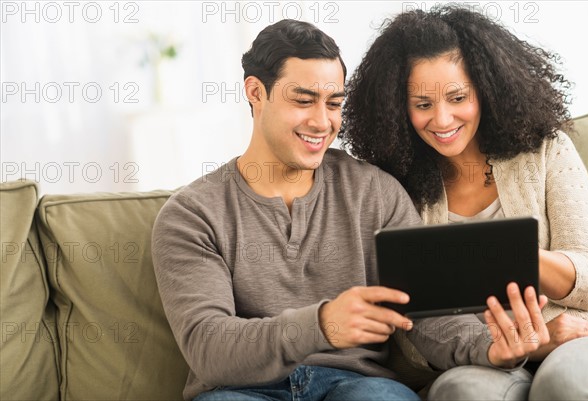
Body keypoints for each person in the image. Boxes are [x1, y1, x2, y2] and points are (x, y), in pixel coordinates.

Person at [152, 18, 550, 401]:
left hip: (358, 385)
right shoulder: (192, 214)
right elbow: (209, 348)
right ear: (256, 93)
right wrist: (322, 325)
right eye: (304, 100)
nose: (322, 121)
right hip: (240, 391)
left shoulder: (374, 193)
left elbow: (428, 316)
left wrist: (490, 346)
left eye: (334, 103)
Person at [341, 5, 588, 401]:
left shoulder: (547, 151)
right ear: (398, 108)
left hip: (567, 334)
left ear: (487, 88)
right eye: (422, 104)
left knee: (565, 384)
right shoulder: (393, 183)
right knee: (464, 392)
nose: (442, 120)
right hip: (473, 360)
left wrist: (509, 254)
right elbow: (410, 334)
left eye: (458, 97)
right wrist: (512, 344)